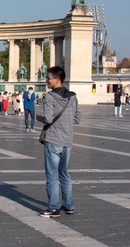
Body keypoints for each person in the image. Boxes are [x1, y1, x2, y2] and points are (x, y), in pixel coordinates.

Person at [36, 66, 80, 218]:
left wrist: (40, 118)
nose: (46, 80)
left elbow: (48, 119)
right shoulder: (72, 96)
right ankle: (68, 205)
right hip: (67, 140)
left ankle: (54, 207)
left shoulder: (49, 97)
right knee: (64, 174)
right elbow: (77, 118)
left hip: (54, 139)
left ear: (57, 79)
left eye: (48, 78)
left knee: (52, 175)